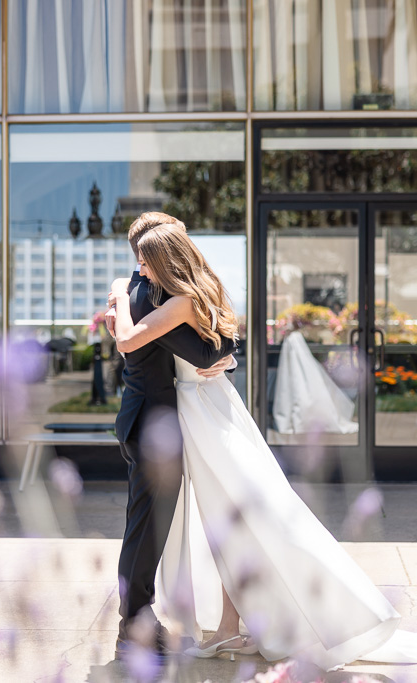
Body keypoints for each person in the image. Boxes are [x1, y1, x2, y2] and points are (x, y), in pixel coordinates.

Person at [108, 224, 417, 669]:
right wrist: (224, 352)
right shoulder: (183, 291)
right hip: (201, 409)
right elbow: (208, 347)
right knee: (226, 518)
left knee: (244, 514)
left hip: (199, 414)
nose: (136, 268)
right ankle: (225, 624)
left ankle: (244, 621)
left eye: (143, 259)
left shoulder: (166, 298)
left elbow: (157, 345)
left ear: (165, 260)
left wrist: (124, 299)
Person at [109, 213, 236, 662]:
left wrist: (225, 357)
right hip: (151, 426)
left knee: (145, 528)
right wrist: (225, 354)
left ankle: (137, 622)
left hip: (147, 421)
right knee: (145, 532)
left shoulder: (142, 291)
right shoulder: (146, 297)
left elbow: (201, 349)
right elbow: (204, 351)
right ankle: (134, 629)